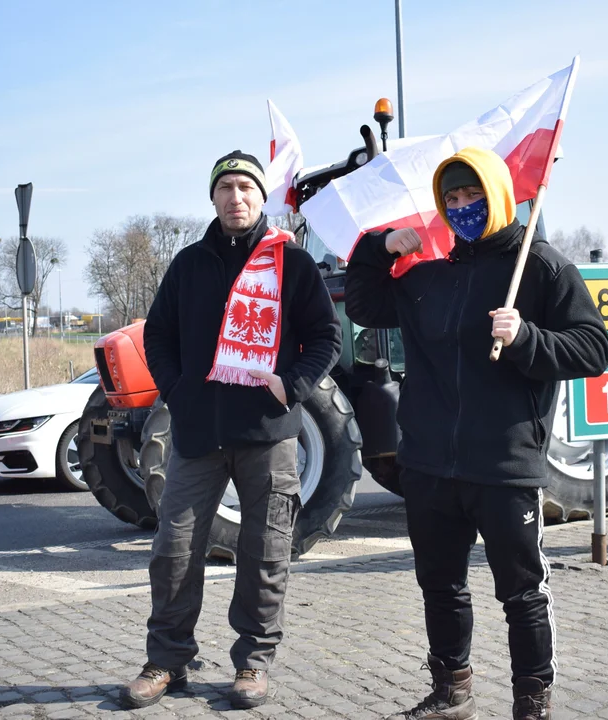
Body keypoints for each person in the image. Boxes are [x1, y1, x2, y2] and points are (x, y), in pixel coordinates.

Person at [345, 147, 608, 720]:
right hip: (430, 465)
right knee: (440, 586)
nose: (464, 207)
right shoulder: (429, 277)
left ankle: (531, 703)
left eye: (473, 196)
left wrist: (527, 339)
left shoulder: (540, 267)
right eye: (453, 199)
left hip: (504, 465)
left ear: (497, 195)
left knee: (520, 594)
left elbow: (593, 350)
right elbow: (364, 304)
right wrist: (377, 246)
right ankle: (451, 692)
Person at [120, 151, 342, 710]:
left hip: (267, 434)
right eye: (226, 188)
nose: (236, 197)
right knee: (173, 548)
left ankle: (253, 663)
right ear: (213, 197)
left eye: (246, 187)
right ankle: (168, 660)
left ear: (261, 196)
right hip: (198, 433)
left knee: (266, 550)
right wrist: (176, 389)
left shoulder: (290, 264)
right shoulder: (188, 265)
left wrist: (291, 384)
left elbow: (325, 338)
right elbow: (158, 335)